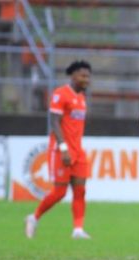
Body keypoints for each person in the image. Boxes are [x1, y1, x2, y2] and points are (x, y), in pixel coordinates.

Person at [25, 60, 92, 240]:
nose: (86, 79)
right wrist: (63, 147)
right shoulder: (60, 94)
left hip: (78, 151)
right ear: (73, 75)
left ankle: (78, 229)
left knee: (80, 190)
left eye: (88, 76)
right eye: (83, 76)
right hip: (61, 150)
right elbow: (54, 121)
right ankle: (34, 217)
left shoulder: (82, 97)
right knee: (60, 192)